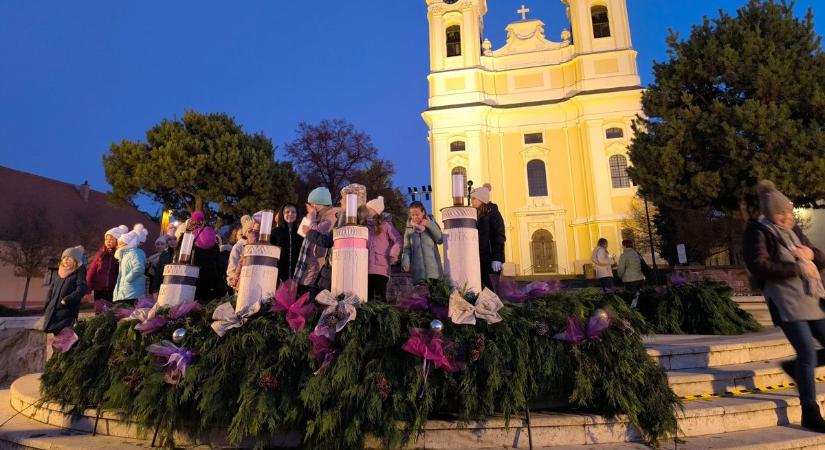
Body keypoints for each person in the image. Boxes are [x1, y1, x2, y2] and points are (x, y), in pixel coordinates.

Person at [743, 180, 825, 432]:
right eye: (780, 213)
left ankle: (794, 368)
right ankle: (810, 412)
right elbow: (759, 265)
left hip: (811, 298)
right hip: (785, 302)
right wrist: (797, 267)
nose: (786, 217)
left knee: (807, 358)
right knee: (808, 354)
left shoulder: (793, 230)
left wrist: (811, 256)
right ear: (769, 213)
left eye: (788, 212)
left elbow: (818, 256)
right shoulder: (758, 231)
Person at [294, 187, 339, 296]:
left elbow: (315, 236)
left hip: (314, 273)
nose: (310, 208)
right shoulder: (320, 217)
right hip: (307, 269)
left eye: (312, 205)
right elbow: (302, 232)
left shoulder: (330, 218)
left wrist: (312, 217)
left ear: (316, 204)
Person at [42, 246, 87, 333]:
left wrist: (67, 300)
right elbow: (51, 290)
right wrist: (47, 303)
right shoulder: (58, 272)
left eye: (70, 258)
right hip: (52, 310)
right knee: (52, 336)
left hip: (67, 310)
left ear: (75, 260)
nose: (66, 259)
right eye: (64, 257)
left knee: (64, 336)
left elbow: (81, 289)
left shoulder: (78, 272)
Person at [365, 196, 402, 301]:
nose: (367, 212)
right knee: (368, 298)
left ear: (375, 211)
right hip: (366, 268)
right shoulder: (365, 226)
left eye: (369, 209)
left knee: (380, 297)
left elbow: (398, 240)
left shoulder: (386, 225)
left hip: (381, 268)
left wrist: (393, 254)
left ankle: (382, 317)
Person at [470, 184, 506, 290]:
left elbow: (499, 235)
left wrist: (497, 258)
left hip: (491, 259)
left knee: (492, 289)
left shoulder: (493, 213)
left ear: (481, 199)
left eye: (474, 199)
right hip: (480, 259)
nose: (471, 201)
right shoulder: (477, 215)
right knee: (482, 289)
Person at [401, 201, 443, 283]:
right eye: (412, 215)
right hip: (418, 272)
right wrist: (406, 262)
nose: (415, 217)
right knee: (421, 295)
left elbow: (440, 239)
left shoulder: (431, 223)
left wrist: (428, 224)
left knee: (434, 294)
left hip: (433, 271)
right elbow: (406, 248)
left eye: (417, 214)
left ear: (423, 212)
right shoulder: (409, 229)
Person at [189, 210, 226, 302]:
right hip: (211, 279)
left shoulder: (190, 238)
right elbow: (219, 263)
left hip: (194, 277)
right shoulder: (213, 238)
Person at [86, 225, 127, 302]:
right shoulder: (100, 254)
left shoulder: (120, 255)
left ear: (117, 240)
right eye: (106, 239)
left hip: (113, 289)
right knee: (100, 311)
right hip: (99, 289)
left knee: (110, 312)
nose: (108, 241)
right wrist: (88, 287)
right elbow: (92, 271)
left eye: (111, 239)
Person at [113, 224, 148, 304]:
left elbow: (139, 268)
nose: (118, 246)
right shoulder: (124, 255)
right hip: (125, 291)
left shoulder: (135, 253)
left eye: (121, 243)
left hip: (132, 291)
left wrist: (128, 279)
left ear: (128, 243)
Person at [271, 203, 304, 282]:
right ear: (283, 214)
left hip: (297, 273)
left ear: (297, 214)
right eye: (287, 212)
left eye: (293, 212)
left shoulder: (301, 231)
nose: (290, 214)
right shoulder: (275, 232)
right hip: (279, 273)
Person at [227, 215, 254, 291]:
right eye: (250, 231)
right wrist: (234, 280)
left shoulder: (256, 245)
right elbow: (232, 266)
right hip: (240, 284)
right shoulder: (238, 246)